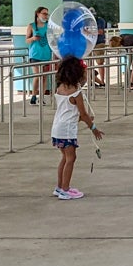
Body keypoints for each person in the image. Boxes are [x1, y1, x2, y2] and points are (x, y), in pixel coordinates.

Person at [49, 56, 101, 200]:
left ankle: (60, 187)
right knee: (71, 158)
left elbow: (69, 113)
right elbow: (83, 114)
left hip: (57, 128)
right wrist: (93, 127)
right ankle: (65, 189)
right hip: (67, 131)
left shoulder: (60, 88)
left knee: (64, 158)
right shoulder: (76, 93)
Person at [26, 6, 53, 104]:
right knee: (37, 75)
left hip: (46, 54)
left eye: (47, 14)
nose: (46, 16)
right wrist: (33, 38)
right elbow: (27, 40)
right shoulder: (31, 26)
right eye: (44, 13)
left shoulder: (49, 26)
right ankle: (34, 95)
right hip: (35, 54)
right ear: (38, 14)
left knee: (44, 77)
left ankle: (41, 97)